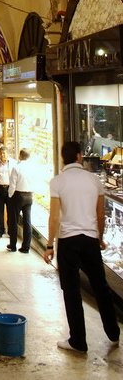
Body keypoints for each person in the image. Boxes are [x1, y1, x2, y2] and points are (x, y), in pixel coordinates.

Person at [43, 141, 120, 353]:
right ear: (79, 156)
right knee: (100, 286)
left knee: (71, 290)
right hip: (90, 239)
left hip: (68, 241)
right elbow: (100, 214)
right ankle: (113, 332)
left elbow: (55, 217)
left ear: (63, 158)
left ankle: (78, 341)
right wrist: (100, 237)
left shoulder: (57, 182)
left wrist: (50, 245)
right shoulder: (94, 180)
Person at [7, 149, 34, 253]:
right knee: (27, 221)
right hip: (29, 196)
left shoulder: (16, 167)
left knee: (14, 221)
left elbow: (12, 184)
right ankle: (26, 247)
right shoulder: (33, 168)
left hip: (18, 195)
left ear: (20, 156)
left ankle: (13, 245)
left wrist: (10, 196)